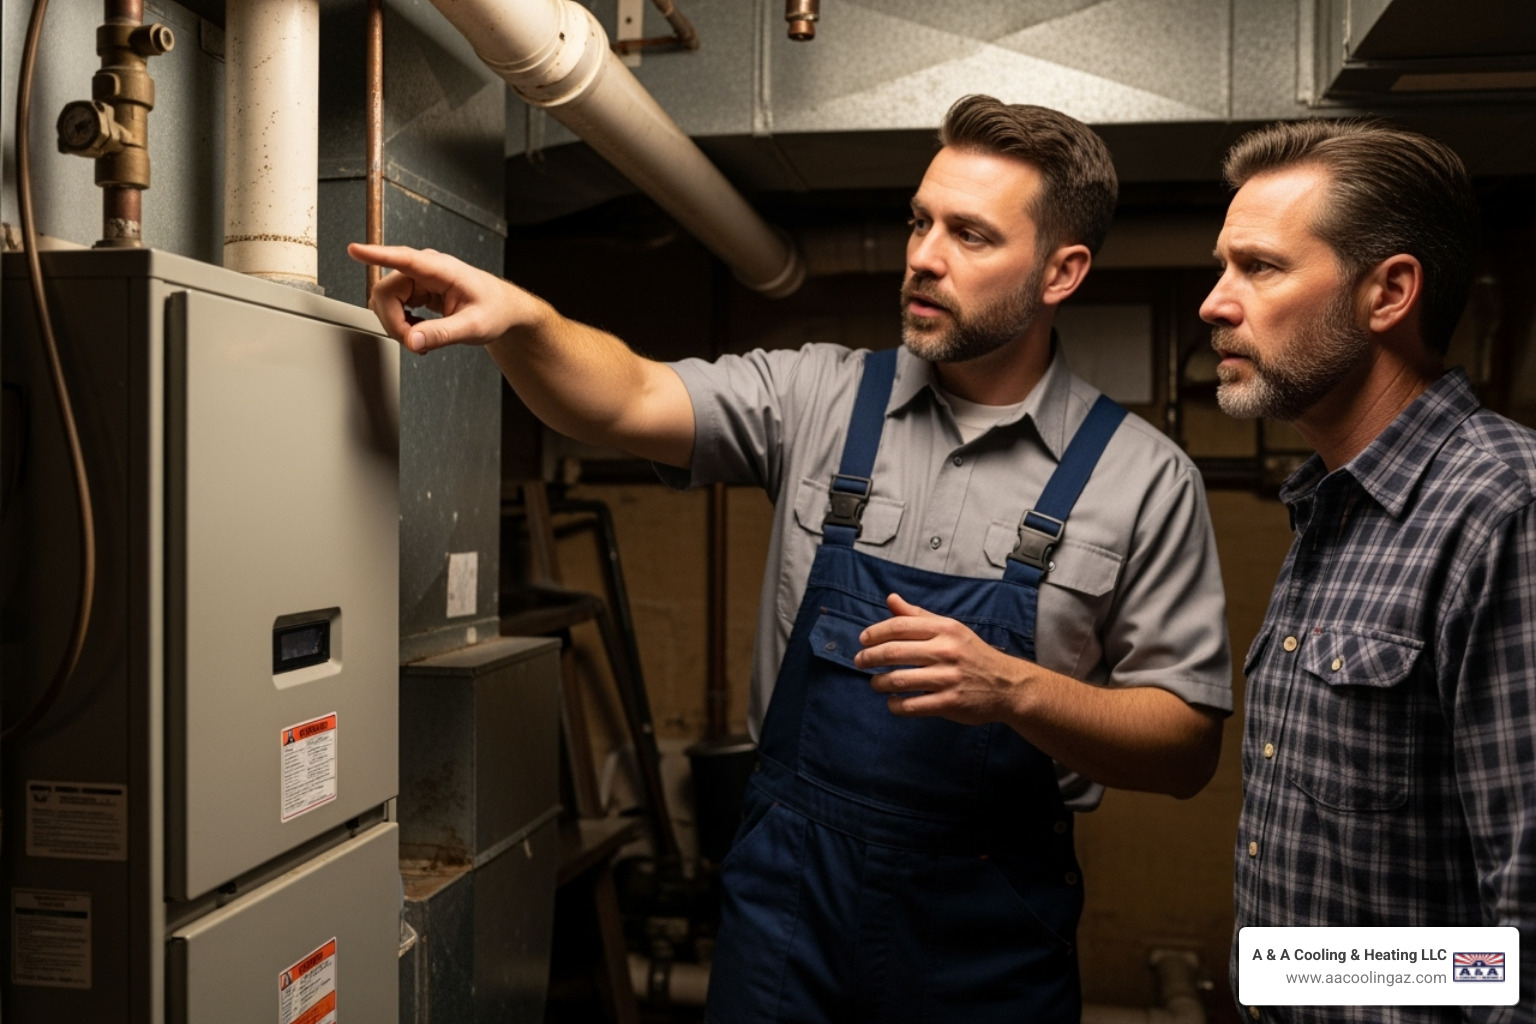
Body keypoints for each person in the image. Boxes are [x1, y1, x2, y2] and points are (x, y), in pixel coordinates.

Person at [351, 95, 1232, 1024]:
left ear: (1062, 272)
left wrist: (1016, 691)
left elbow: (1186, 746)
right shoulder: (817, 396)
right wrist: (523, 321)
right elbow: (628, 398)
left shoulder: (1143, 478)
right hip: (790, 917)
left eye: (970, 234)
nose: (925, 256)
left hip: (988, 939)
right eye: (920, 221)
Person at [1203, 118, 1535, 1022]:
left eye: (1259, 268)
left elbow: (1519, 955)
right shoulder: (1334, 505)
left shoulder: (1502, 512)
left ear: (1388, 293)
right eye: (1223, 267)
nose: (1215, 303)